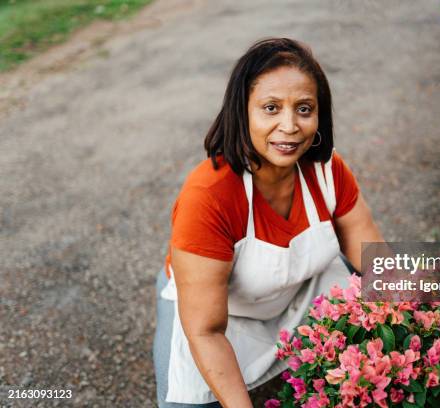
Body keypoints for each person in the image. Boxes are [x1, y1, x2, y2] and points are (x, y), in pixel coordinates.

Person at [153, 37, 383, 407]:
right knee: (186, 400)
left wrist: (431, 327)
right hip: (222, 311)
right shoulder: (208, 195)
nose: (290, 126)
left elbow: (375, 259)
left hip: (298, 292)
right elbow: (207, 331)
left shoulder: (327, 170)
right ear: (242, 112)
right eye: (271, 108)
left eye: (304, 109)